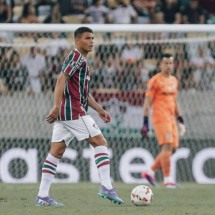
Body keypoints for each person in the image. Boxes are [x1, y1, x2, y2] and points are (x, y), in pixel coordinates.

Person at [35, 27, 124, 207]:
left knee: (56, 152)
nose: (91, 41)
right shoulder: (76, 57)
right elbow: (61, 79)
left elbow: (83, 91)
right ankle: (106, 186)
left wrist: (99, 109)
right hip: (73, 111)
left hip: (66, 113)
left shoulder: (80, 60)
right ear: (77, 41)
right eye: (87, 38)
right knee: (100, 142)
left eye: (92, 38)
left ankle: (42, 196)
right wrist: (56, 105)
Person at [141, 53, 186, 188]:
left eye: (170, 63)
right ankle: (168, 180)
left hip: (172, 118)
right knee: (167, 146)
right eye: (165, 63)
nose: (168, 66)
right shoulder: (154, 81)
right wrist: (145, 123)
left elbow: (175, 101)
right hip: (160, 117)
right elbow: (147, 103)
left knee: (174, 149)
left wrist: (181, 120)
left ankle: (150, 171)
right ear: (160, 65)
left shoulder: (174, 81)